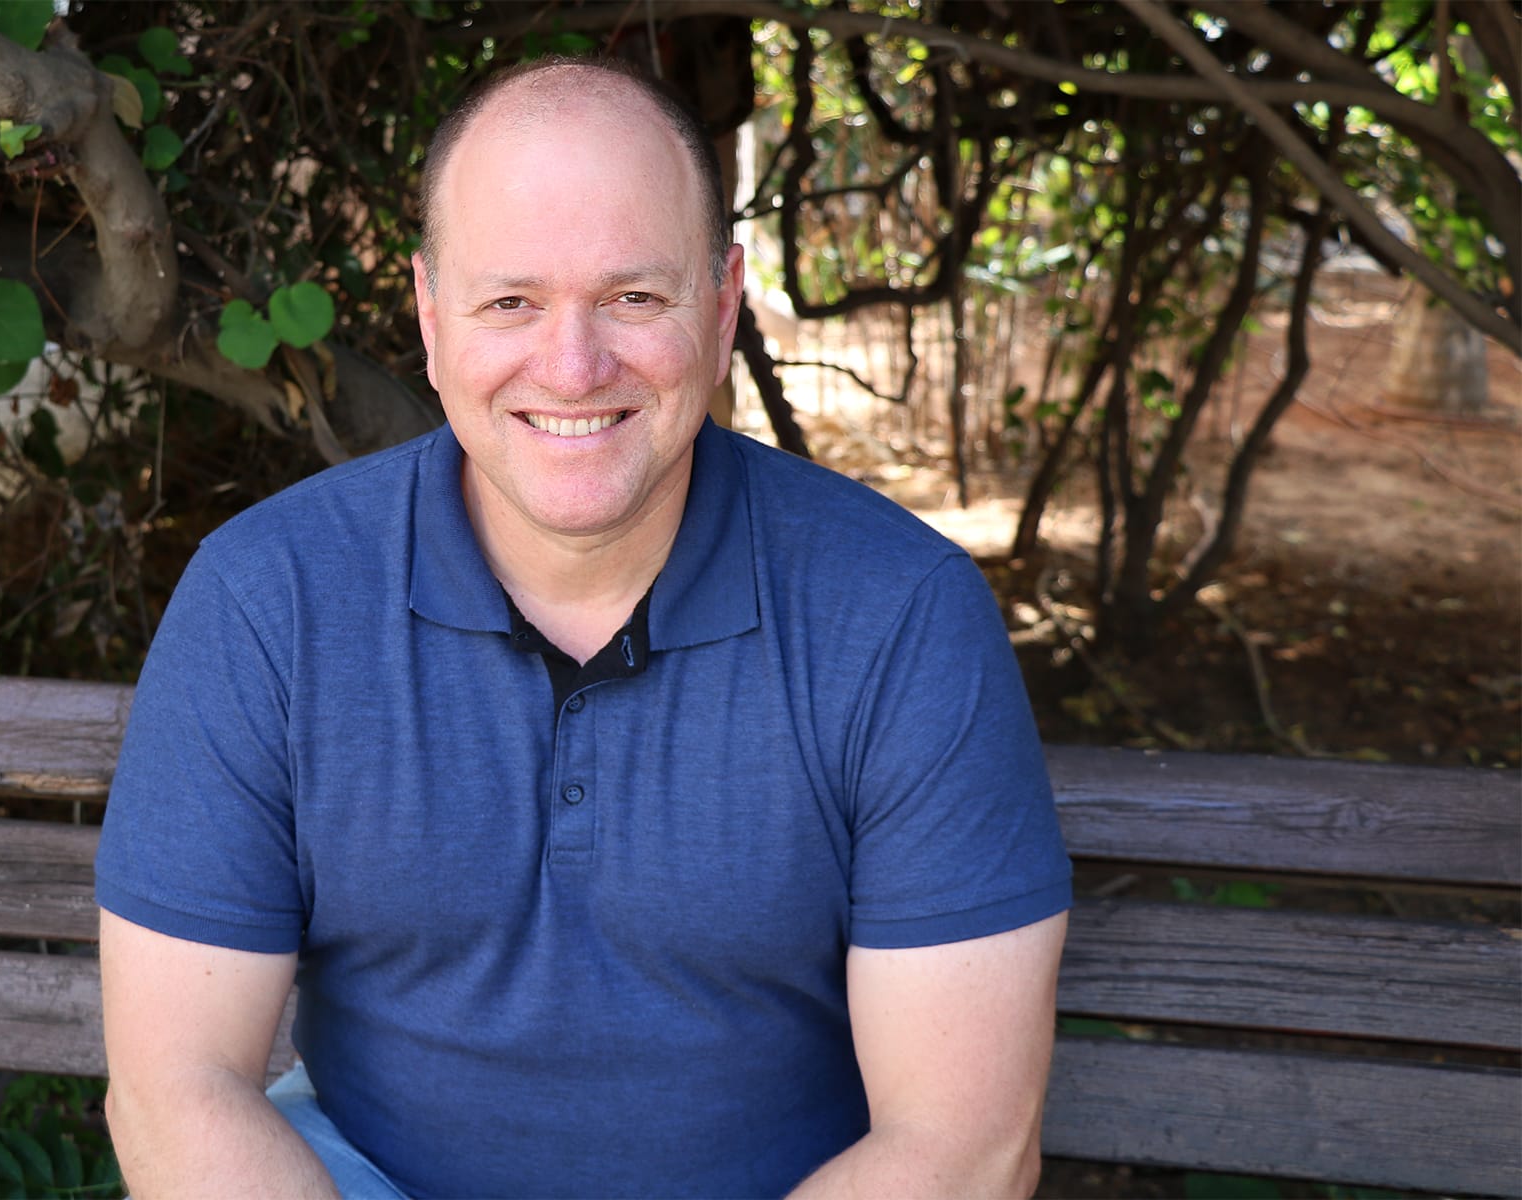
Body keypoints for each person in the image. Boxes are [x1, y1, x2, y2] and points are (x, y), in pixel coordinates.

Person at [95, 57, 1071, 1200]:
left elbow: (962, 1149)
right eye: (511, 300)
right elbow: (175, 1092)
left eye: (633, 298)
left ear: (720, 310)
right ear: (426, 314)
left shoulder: (898, 616)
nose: (571, 365)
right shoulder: (268, 601)